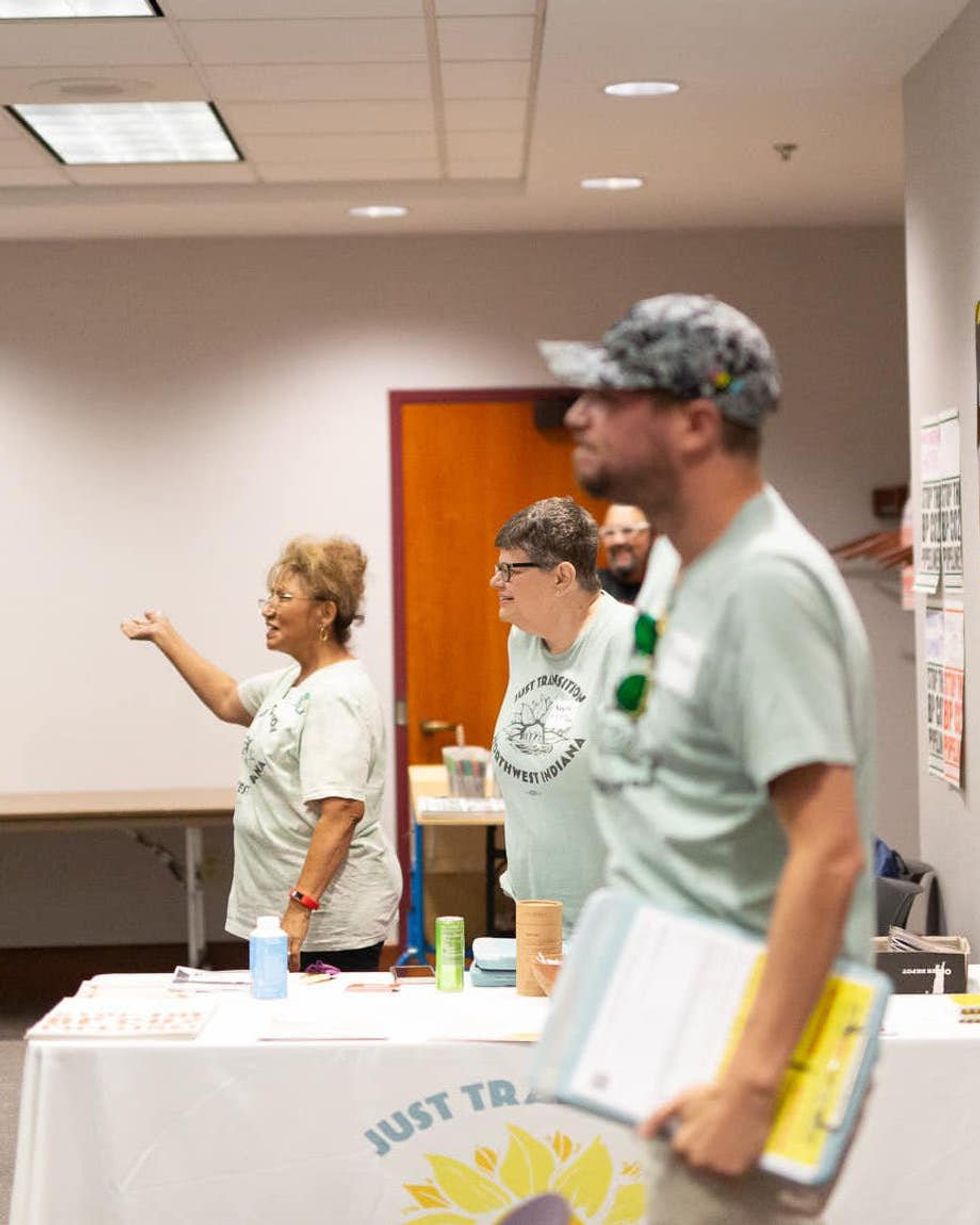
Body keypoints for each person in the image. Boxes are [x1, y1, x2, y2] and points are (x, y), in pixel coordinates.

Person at [540, 294, 873, 1224]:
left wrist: (754, 1087)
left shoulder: (767, 584)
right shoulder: (693, 564)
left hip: (749, 1050)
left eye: (610, 395)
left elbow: (831, 851)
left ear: (695, 421)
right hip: (683, 1021)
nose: (578, 413)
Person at [121, 536, 401, 972]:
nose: (267, 609)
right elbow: (229, 698)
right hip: (285, 909)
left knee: (318, 1036)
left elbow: (342, 811)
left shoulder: (336, 694)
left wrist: (299, 907)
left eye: (283, 597)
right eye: (268, 596)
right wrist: (166, 636)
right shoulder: (293, 680)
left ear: (325, 612)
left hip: (326, 920)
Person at [490, 496, 634, 932]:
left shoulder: (628, 643)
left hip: (613, 921)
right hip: (536, 914)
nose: (495, 581)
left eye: (510, 570)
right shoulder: (523, 639)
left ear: (562, 577)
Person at [598, 503, 653, 602]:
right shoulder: (591, 590)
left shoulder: (668, 586)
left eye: (628, 530)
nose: (618, 541)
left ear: (651, 534)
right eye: (609, 532)